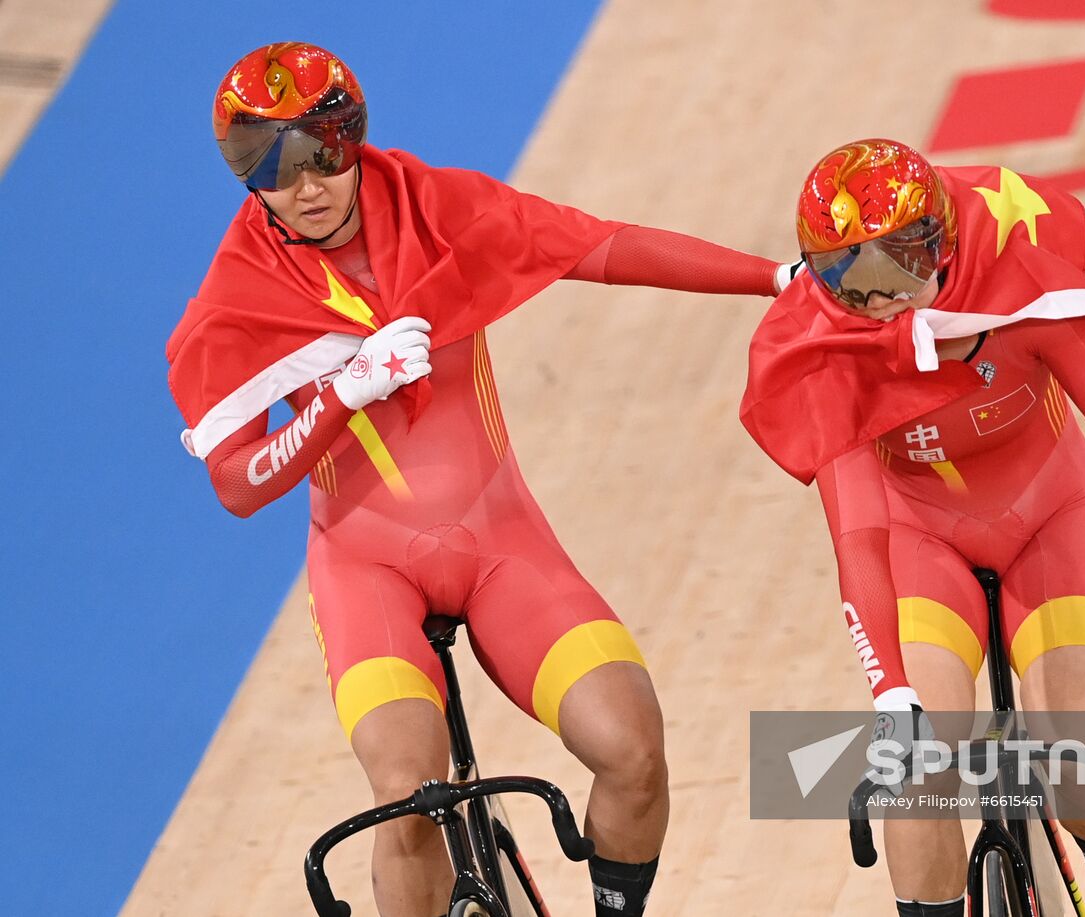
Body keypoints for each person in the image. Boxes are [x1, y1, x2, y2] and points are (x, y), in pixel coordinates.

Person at [167, 42, 795, 917]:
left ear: (353, 137)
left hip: (500, 545)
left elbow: (603, 247)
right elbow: (237, 485)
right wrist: (342, 397)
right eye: (267, 166)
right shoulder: (236, 299)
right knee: (410, 797)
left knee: (632, 753)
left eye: (321, 152)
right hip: (368, 571)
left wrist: (773, 278)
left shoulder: (443, 210)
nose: (304, 185)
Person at [740, 139, 1085, 917]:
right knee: (918, 772)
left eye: (893, 268)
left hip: (1051, 524)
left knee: (1076, 768)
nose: (876, 301)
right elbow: (859, 535)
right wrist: (889, 690)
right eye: (846, 277)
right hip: (920, 543)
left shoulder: (1021, 282)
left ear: (938, 244)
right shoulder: (826, 350)